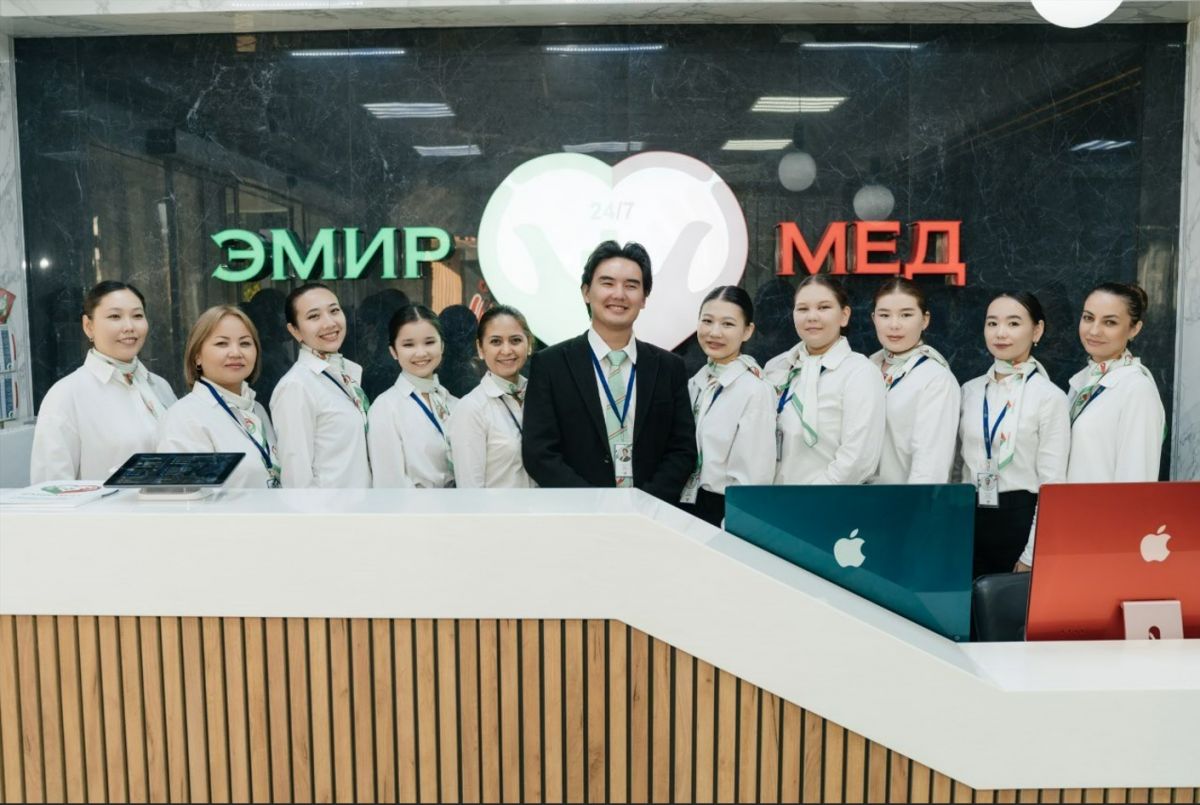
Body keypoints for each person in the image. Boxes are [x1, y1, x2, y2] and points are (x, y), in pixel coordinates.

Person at [521, 240, 696, 501]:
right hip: (578, 514)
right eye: (607, 283)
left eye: (631, 286)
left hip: (652, 515)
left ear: (644, 298)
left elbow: (682, 450)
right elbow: (539, 453)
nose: (619, 294)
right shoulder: (550, 365)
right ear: (586, 292)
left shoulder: (669, 367)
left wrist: (645, 503)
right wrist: (594, 505)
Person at [1015, 282, 1165, 570]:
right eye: (1088, 318)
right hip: (1068, 532)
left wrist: (1116, 555)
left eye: (1110, 322)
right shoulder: (1083, 380)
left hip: (1104, 543)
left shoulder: (1137, 389)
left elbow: (1136, 486)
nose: (1094, 330)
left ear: (1134, 329)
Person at [958, 291, 1069, 578]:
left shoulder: (1049, 397)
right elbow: (958, 467)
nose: (1001, 333)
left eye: (1014, 323)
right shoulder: (970, 391)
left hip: (1019, 522)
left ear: (1037, 330)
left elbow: (1053, 485)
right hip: (969, 519)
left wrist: (1031, 555)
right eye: (992, 323)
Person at [30, 281, 176, 482]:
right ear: (88, 326)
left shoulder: (159, 386)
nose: (129, 327)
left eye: (137, 316)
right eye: (115, 316)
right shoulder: (66, 395)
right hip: (106, 505)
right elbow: (51, 487)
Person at [764, 274, 885, 485]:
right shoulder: (777, 367)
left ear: (844, 315)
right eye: (803, 309)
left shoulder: (860, 372)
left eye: (824, 307)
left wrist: (813, 497)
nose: (812, 317)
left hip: (828, 500)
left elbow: (857, 459)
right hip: (767, 498)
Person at [680, 286, 776, 526]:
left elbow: (754, 476)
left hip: (723, 510)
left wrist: (735, 524)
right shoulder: (696, 382)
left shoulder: (754, 390)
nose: (714, 332)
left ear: (747, 331)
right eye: (707, 321)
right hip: (685, 502)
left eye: (728, 324)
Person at [156, 305, 282, 488]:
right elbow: (186, 497)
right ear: (197, 356)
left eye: (245, 343)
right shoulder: (184, 417)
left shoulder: (256, 409)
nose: (236, 353)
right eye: (222, 343)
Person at [270, 282, 371, 488]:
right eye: (314, 316)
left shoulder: (344, 375)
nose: (329, 323)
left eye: (334, 311)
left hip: (363, 504)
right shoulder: (296, 386)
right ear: (295, 331)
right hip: (332, 507)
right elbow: (296, 479)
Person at [868, 278, 960, 484]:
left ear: (925, 320)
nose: (894, 325)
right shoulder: (865, 369)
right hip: (851, 496)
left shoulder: (935, 379)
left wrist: (914, 503)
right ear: (874, 319)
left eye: (906, 315)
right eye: (884, 315)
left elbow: (930, 465)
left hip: (903, 499)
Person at [368, 304, 458, 488]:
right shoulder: (385, 408)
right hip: (415, 506)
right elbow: (389, 484)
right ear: (393, 351)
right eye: (408, 345)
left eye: (429, 342)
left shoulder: (453, 402)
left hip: (462, 503)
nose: (421, 353)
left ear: (442, 345)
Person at [449, 305, 535, 488]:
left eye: (515, 340)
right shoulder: (471, 408)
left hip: (545, 506)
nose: (507, 350)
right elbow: (470, 489)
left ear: (528, 345)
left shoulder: (541, 394)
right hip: (498, 508)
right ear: (480, 348)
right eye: (496, 342)